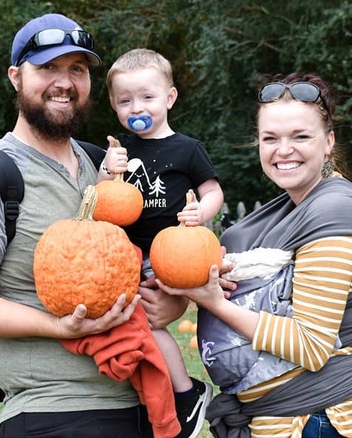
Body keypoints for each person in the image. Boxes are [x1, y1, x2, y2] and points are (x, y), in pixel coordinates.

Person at [0, 14, 163, 438]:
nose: (65, 82)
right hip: (52, 412)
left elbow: (131, 267)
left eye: (77, 69)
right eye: (48, 67)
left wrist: (174, 298)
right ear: (16, 77)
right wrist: (56, 327)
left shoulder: (103, 168)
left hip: (138, 402)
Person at [156, 73, 352, 437]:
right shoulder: (297, 206)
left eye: (300, 136)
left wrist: (215, 302)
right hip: (286, 420)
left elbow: (311, 344)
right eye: (271, 138)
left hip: (320, 420)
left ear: (328, 142)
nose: (283, 150)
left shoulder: (332, 216)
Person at [98, 48, 225, 438]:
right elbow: (101, 198)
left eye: (147, 97)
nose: (137, 106)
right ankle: (153, 391)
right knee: (130, 325)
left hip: (171, 253)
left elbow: (213, 191)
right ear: (115, 106)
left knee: (149, 325)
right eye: (125, 100)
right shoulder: (118, 148)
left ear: (169, 98)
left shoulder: (186, 148)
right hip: (126, 254)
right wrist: (107, 170)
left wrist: (201, 214)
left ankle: (185, 392)